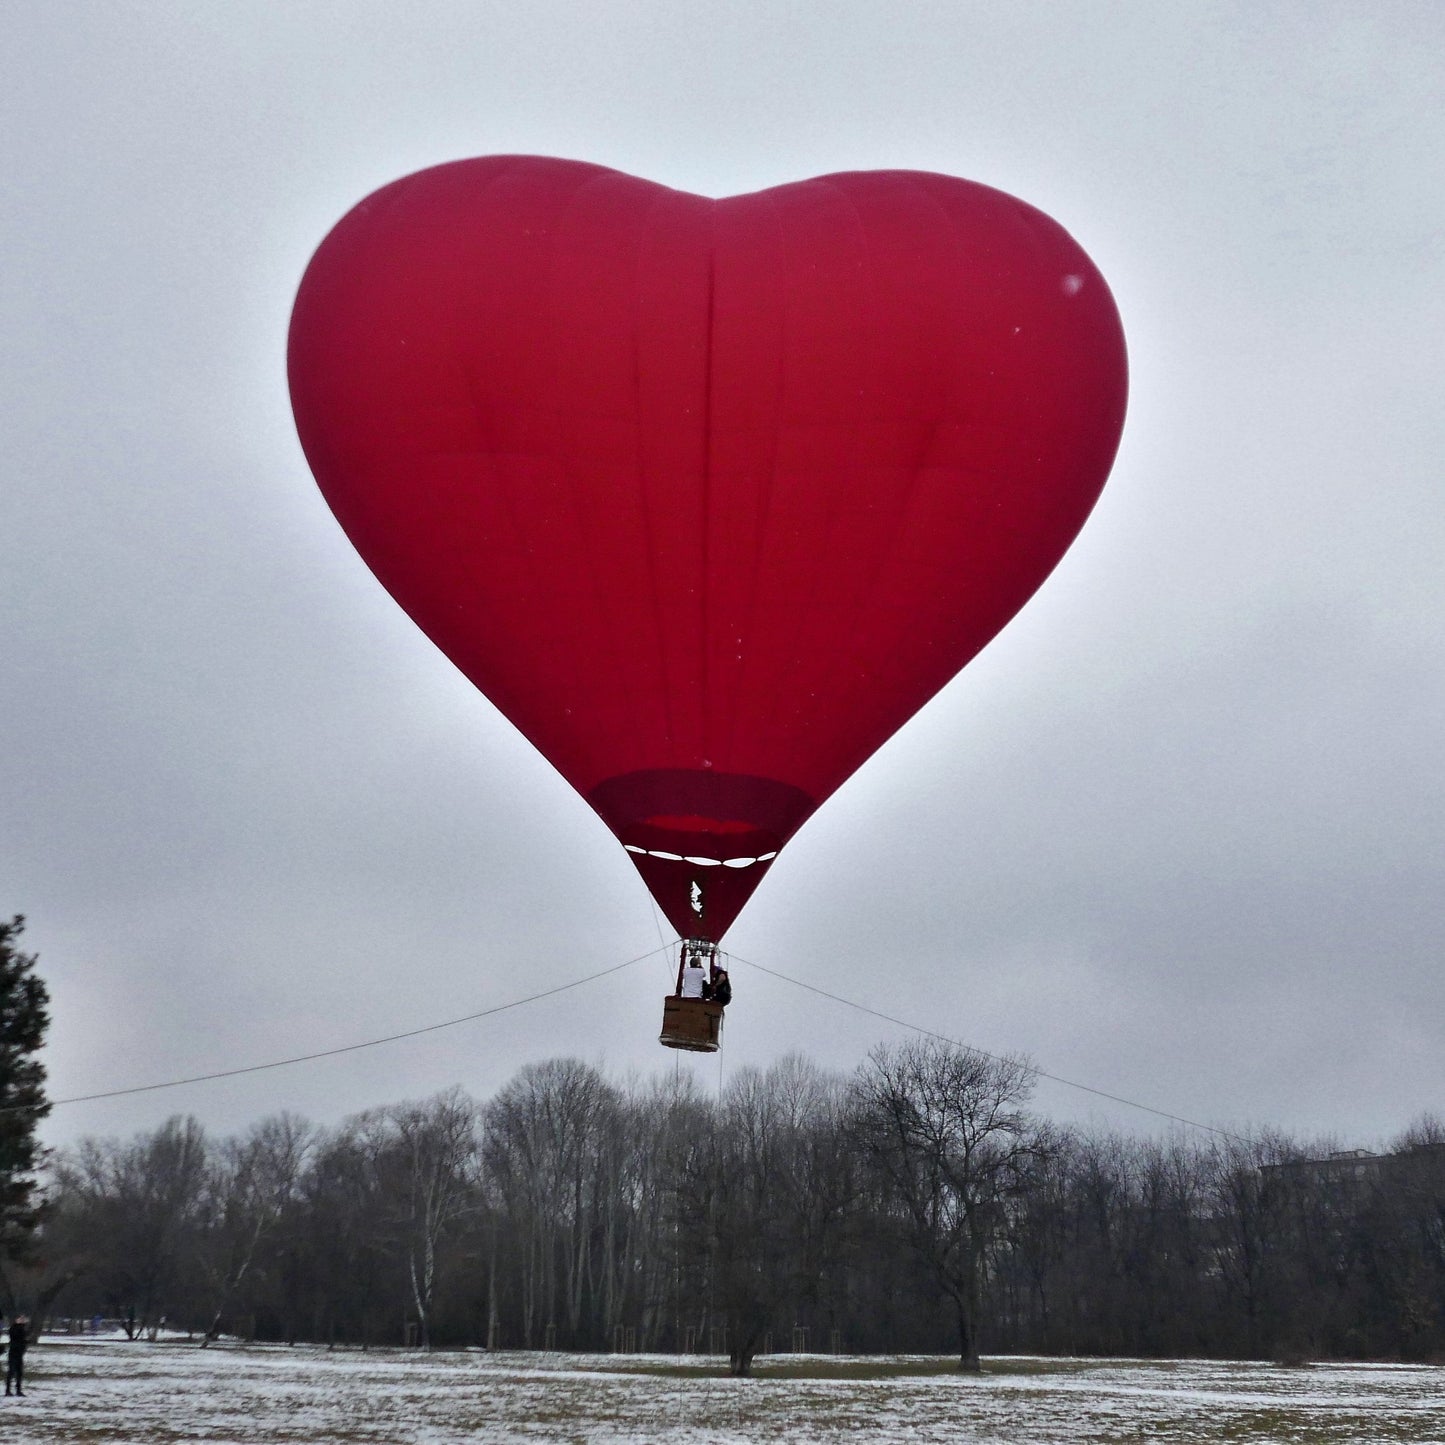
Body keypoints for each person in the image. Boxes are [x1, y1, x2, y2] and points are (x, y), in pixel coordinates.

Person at [6, 1314, 28, 1396]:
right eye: (20, 1318)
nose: (22, 1320)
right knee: (11, 1372)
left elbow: (23, 1338)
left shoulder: (23, 1328)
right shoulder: (13, 1328)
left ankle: (18, 1390)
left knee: (19, 1373)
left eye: (23, 1318)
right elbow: (14, 1335)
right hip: (13, 1353)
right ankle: (7, 1390)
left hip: (19, 1353)